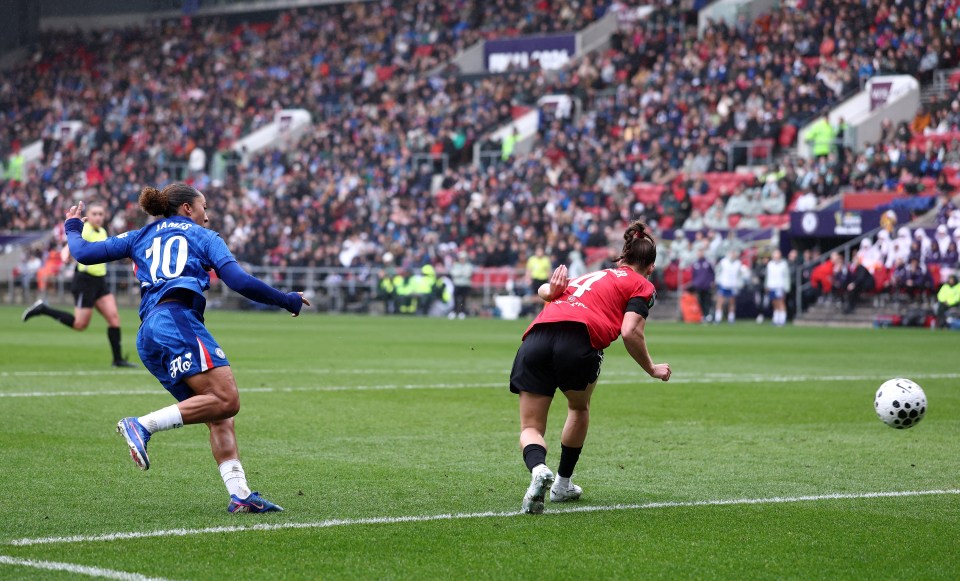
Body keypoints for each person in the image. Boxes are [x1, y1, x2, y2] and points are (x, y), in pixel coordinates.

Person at [62, 184, 310, 513]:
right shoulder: (204, 237)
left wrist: (72, 226)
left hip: (149, 334)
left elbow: (82, 253)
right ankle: (142, 425)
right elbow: (239, 281)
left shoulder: (139, 236)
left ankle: (240, 495)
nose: (207, 214)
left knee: (218, 413)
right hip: (176, 320)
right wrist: (287, 300)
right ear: (188, 209)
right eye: (203, 206)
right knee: (227, 399)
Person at [509, 220, 671, 514]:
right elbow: (630, 331)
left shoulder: (593, 274)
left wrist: (547, 289)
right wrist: (651, 368)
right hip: (578, 340)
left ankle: (538, 469)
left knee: (531, 427)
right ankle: (562, 484)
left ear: (621, 259)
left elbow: (548, 290)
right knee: (578, 408)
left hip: (536, 338)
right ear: (650, 267)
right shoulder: (642, 284)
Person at [23, 202, 136, 367]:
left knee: (114, 319)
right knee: (80, 324)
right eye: (95, 214)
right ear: (88, 215)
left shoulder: (103, 231)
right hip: (85, 281)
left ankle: (117, 360)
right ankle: (43, 309)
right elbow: (71, 244)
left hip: (100, 281)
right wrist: (66, 253)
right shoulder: (85, 229)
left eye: (101, 214)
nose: (98, 217)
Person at [714, 249, 748, 324]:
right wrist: (717, 281)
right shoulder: (723, 262)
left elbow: (740, 275)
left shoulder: (738, 263)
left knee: (732, 302)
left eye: (734, 253)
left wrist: (740, 283)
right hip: (723, 284)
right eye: (732, 253)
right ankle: (718, 318)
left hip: (733, 285)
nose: (733, 255)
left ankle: (731, 318)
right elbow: (717, 271)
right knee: (720, 301)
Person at [764, 249, 790, 326]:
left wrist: (786, 287)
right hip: (772, 286)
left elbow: (786, 276)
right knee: (774, 303)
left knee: (781, 302)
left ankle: (782, 319)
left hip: (780, 286)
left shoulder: (783, 264)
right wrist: (767, 285)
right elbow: (768, 276)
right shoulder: (770, 264)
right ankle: (776, 319)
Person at [449, 251, 474, 319]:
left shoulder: (468, 266)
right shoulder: (456, 265)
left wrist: (459, 273)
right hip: (457, 284)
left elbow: (467, 274)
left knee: (463, 299)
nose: (462, 260)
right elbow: (453, 273)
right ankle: (455, 311)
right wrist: (461, 273)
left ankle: (462, 312)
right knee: (455, 299)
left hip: (465, 285)